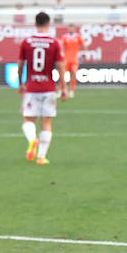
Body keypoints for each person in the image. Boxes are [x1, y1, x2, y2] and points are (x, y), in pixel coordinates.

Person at [18, 12, 66, 164]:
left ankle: (32, 140)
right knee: (46, 122)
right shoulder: (54, 42)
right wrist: (63, 87)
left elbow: (20, 65)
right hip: (49, 88)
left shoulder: (26, 42)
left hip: (32, 87)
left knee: (28, 119)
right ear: (48, 24)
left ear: (35, 24)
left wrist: (21, 83)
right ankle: (41, 157)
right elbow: (60, 66)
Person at [60, 24, 82, 98]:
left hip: (74, 59)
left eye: (72, 28)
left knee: (73, 75)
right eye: (69, 28)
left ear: (74, 29)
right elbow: (62, 47)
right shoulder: (64, 37)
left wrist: (83, 54)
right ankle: (61, 90)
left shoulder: (78, 36)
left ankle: (72, 91)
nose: (70, 29)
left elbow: (84, 45)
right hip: (66, 59)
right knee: (63, 75)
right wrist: (62, 56)